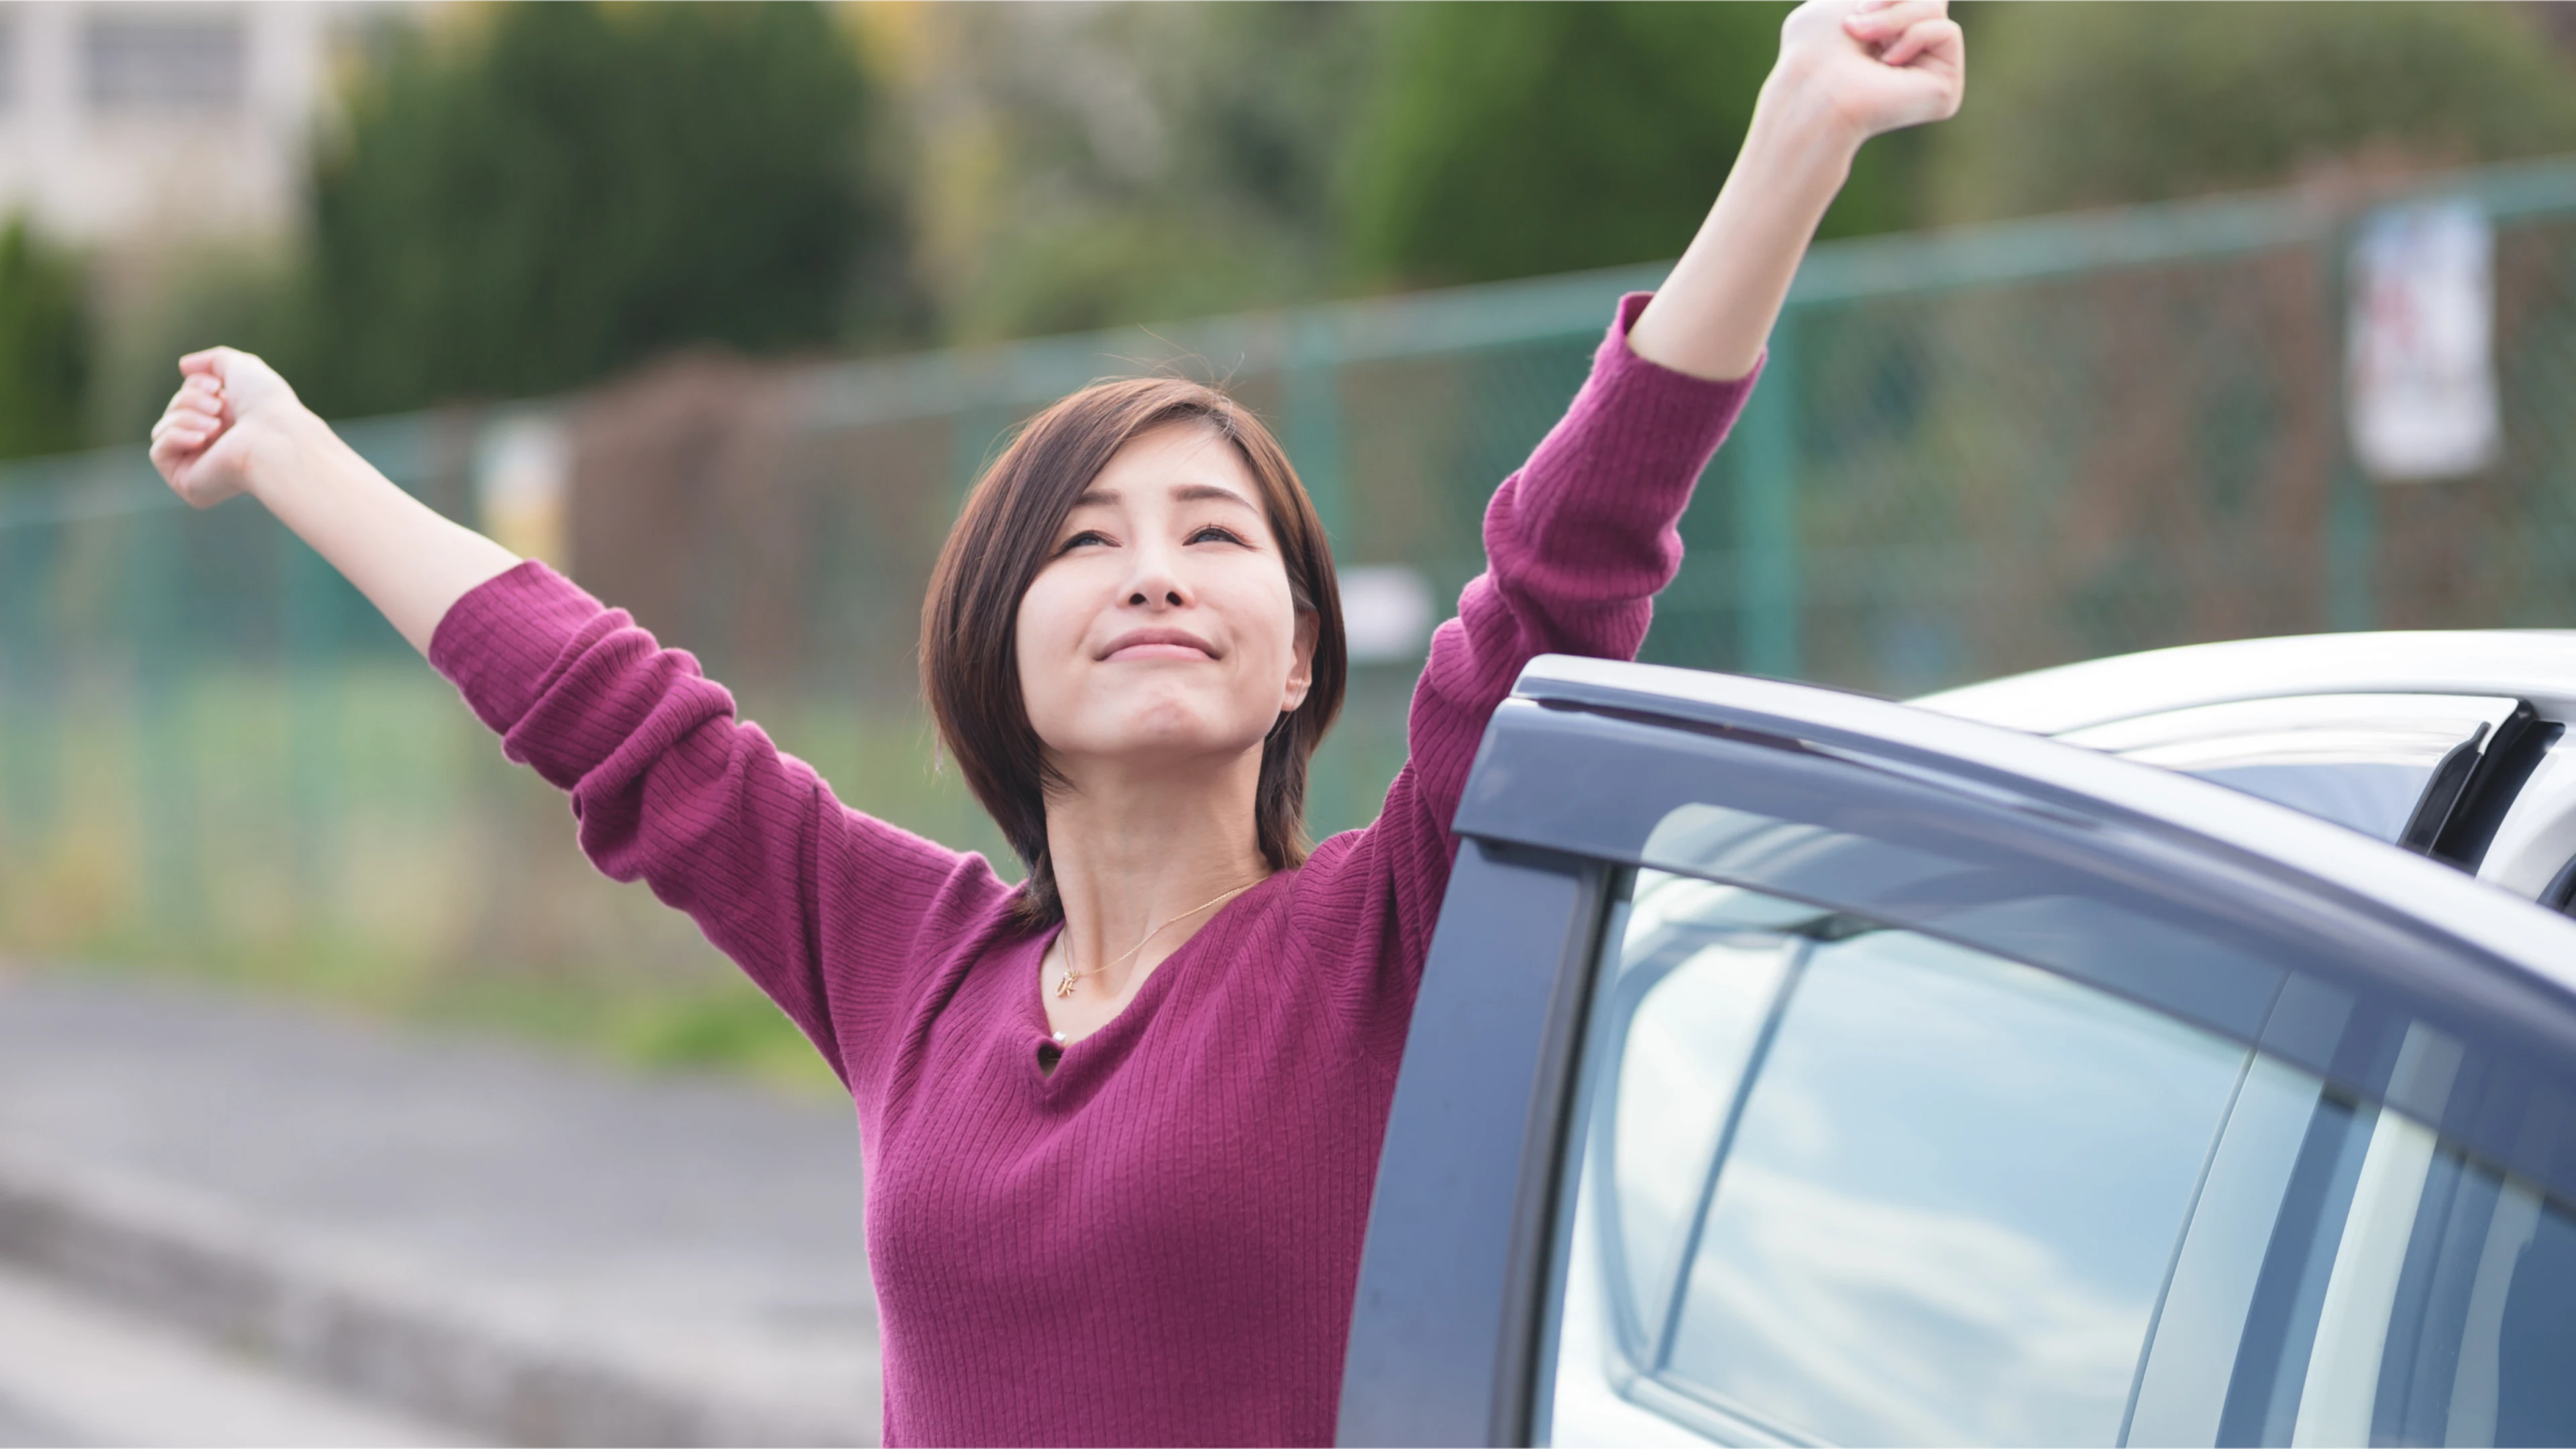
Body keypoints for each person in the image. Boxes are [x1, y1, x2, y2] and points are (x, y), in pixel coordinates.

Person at [147, 1, 1962, 1440]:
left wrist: (1793, 146)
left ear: (1305, 656)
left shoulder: (1394, 933)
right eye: (1087, 545)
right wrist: (296, 455)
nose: (1156, 572)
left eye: (1216, 536)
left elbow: (1575, 558)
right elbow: (612, 716)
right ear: (993, 652)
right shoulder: (904, 958)